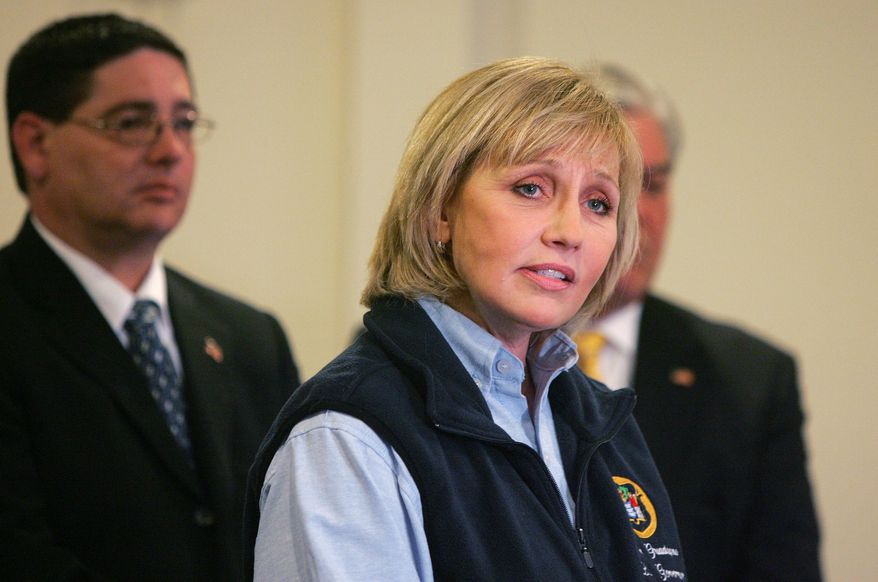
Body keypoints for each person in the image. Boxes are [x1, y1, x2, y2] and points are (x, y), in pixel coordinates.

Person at [245, 57, 688, 581]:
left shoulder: (605, 423)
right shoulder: (347, 438)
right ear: (441, 209)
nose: (570, 231)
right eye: (531, 188)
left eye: (598, 202)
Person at [0, 13, 300, 580]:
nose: (170, 151)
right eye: (132, 123)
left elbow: (292, 532)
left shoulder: (251, 337)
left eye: (184, 123)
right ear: (35, 144)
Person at [570, 63, 821, 580]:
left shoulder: (750, 380)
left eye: (655, 184)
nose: (638, 214)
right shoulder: (448, 353)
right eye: (611, 186)